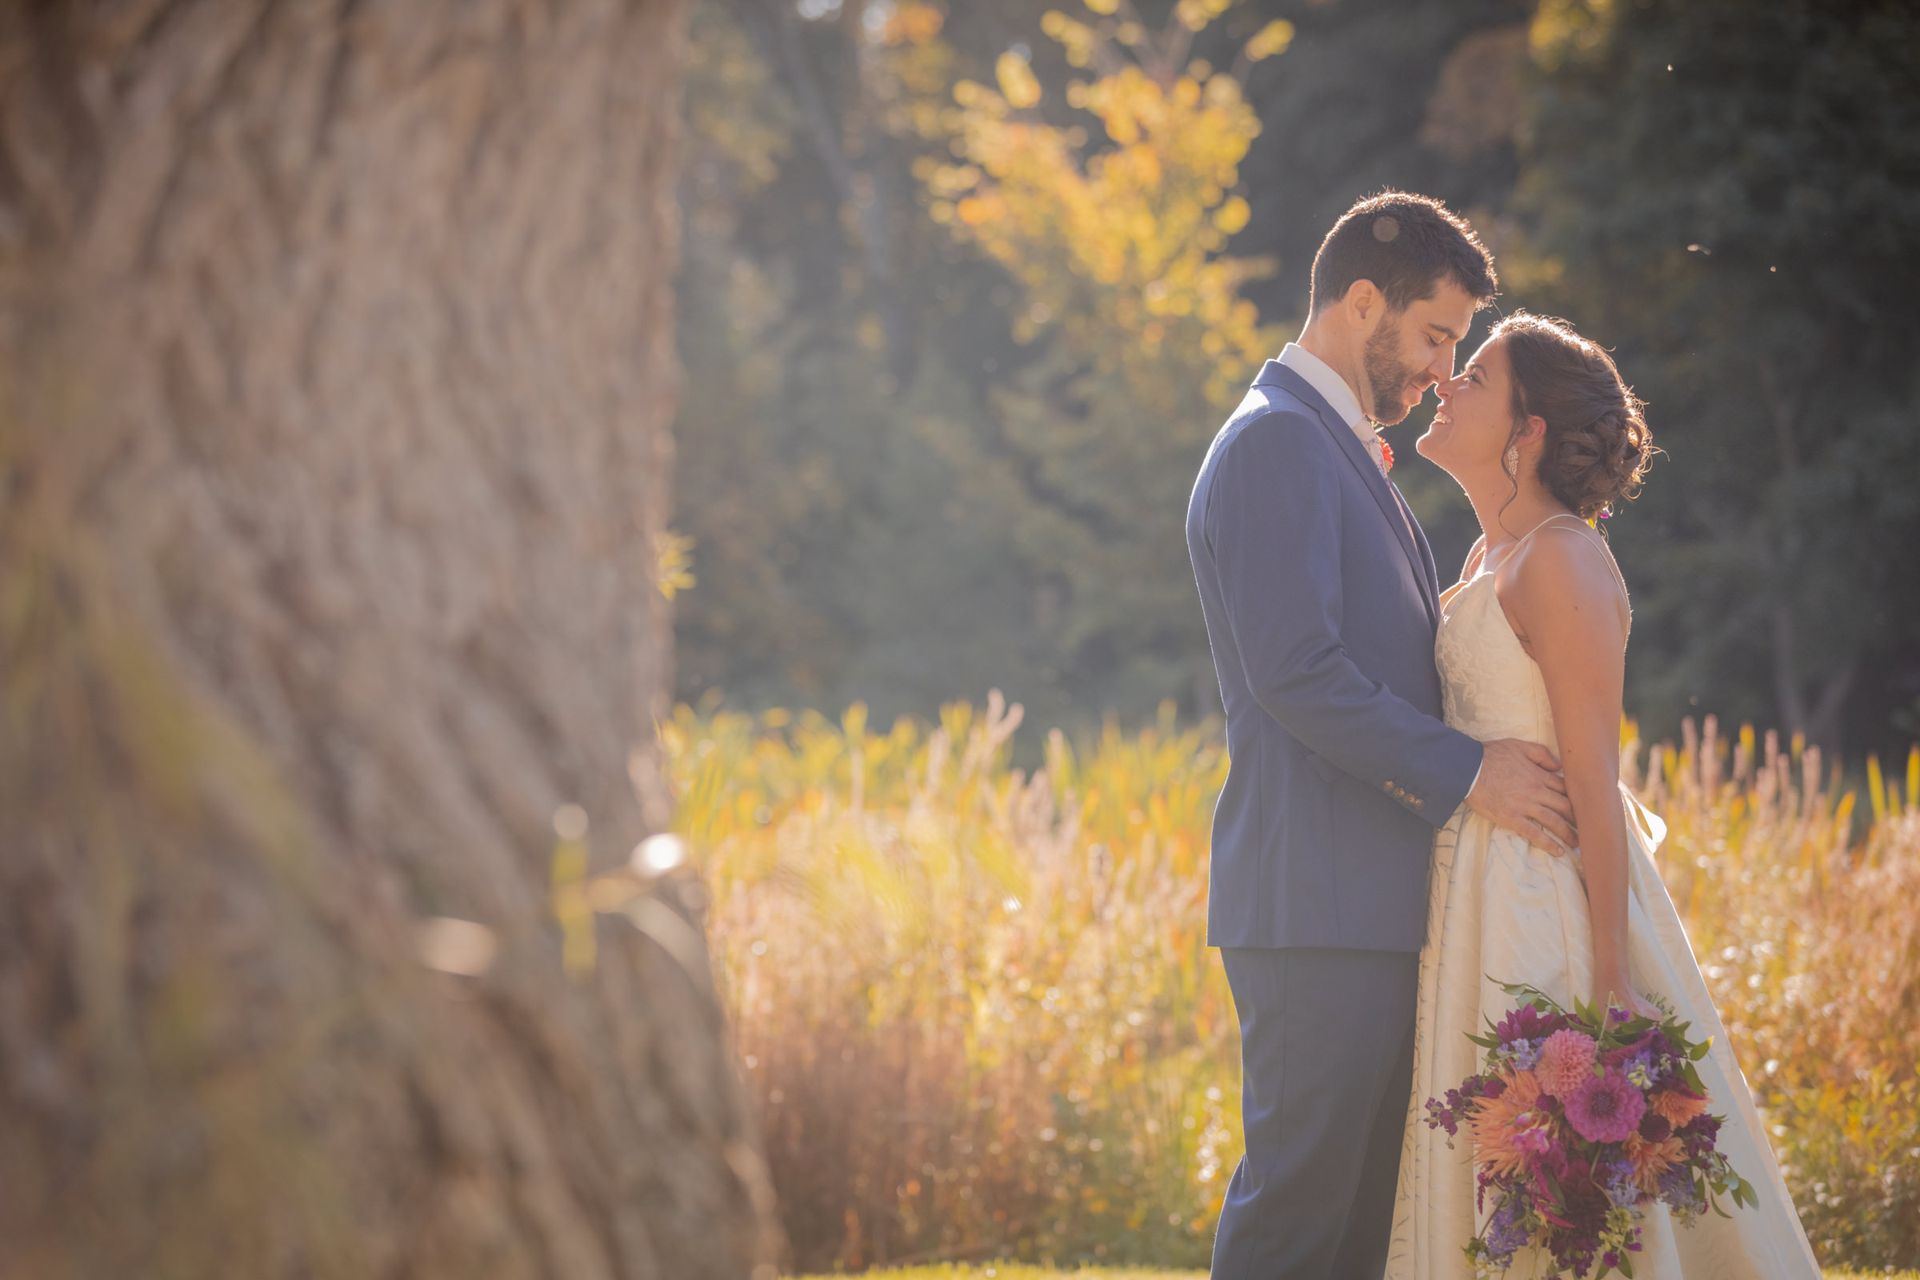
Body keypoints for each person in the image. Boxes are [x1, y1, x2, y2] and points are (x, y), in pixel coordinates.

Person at [1381, 310, 1822, 1276]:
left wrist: (1613, 977)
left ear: (1529, 429)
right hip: (1468, 888)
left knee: (1563, 1190)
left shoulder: (1564, 559)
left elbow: (1594, 780)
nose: (1447, 383)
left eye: (1476, 376)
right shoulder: (1488, 557)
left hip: (1543, 895)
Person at [1184, 191, 1575, 1279]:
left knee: (1356, 1228)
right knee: (1299, 1216)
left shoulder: (1327, 444)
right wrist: (1471, 773)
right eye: (1436, 335)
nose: (1444, 370)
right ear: (1363, 303)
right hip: (1316, 902)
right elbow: (1297, 674)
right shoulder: (1278, 442)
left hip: (1360, 901)